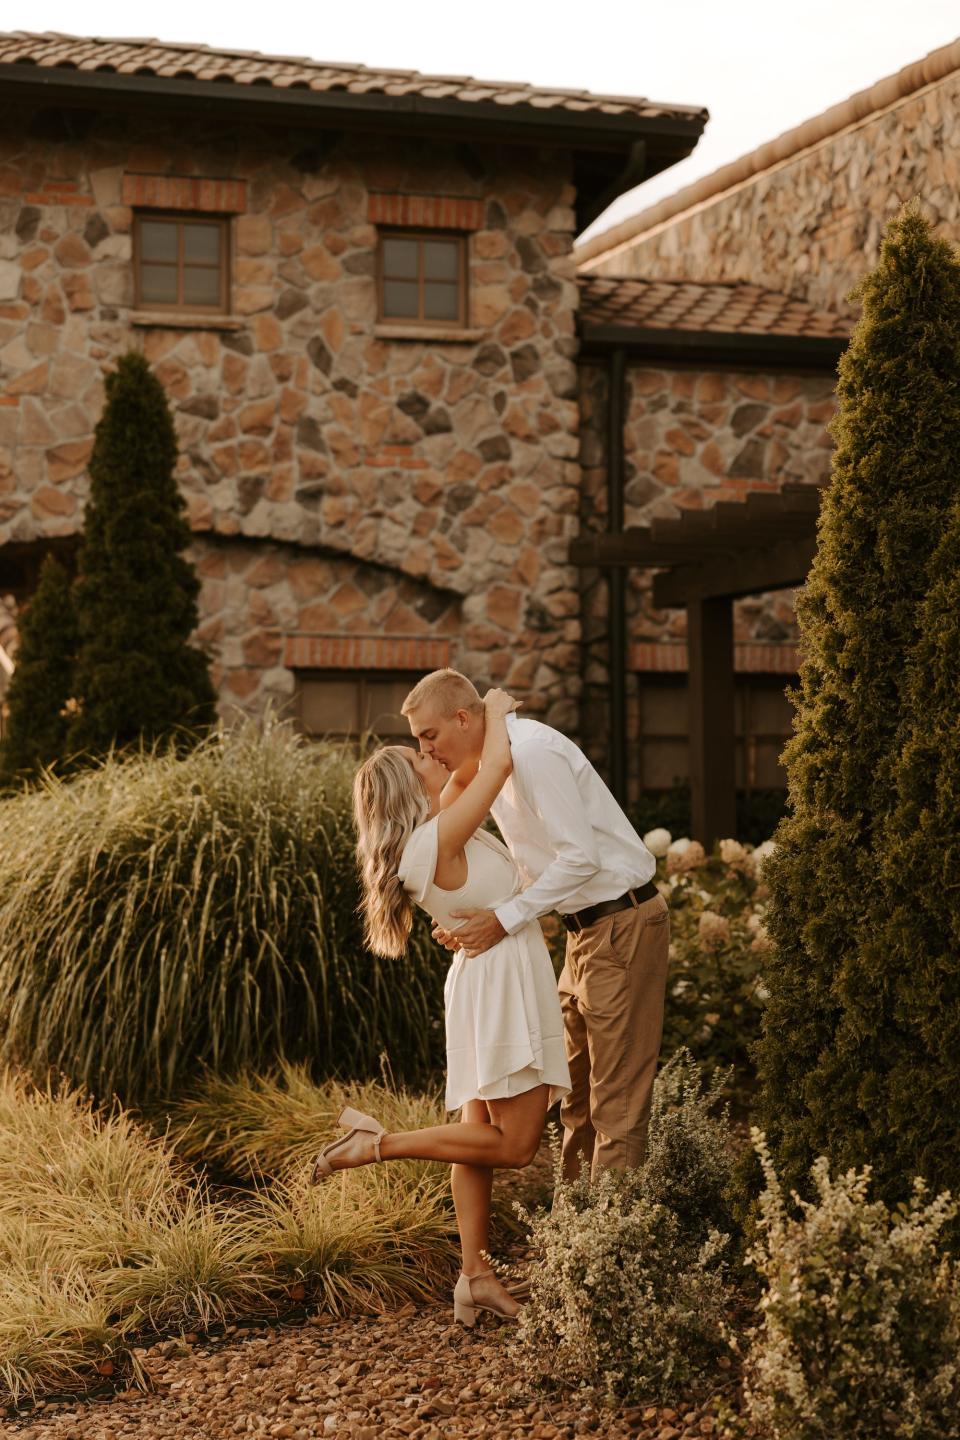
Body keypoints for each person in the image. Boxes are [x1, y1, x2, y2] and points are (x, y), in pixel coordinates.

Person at [310, 687, 570, 1329]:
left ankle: (474, 1275)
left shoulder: (429, 831)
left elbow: (470, 774)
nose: (432, 752)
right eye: (421, 752)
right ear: (411, 787)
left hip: (483, 976)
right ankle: (377, 1144)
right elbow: (497, 767)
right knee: (512, 1145)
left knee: (476, 1142)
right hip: (500, 981)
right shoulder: (435, 839)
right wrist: (497, 708)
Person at [402, 669, 668, 1183]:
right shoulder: (494, 765)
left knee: (616, 1108)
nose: (427, 751)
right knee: (575, 1100)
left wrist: (503, 920)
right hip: (582, 932)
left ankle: (606, 1255)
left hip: (622, 924)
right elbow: (533, 866)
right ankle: (576, 1232)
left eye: (429, 736)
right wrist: (476, 922)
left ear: (462, 717)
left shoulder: (534, 754)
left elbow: (580, 859)